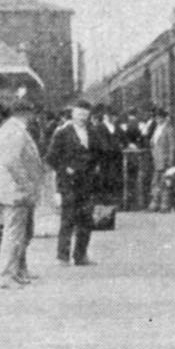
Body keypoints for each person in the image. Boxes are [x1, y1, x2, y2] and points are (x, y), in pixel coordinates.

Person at [0, 97, 45, 288]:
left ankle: (18, 270)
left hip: (20, 192)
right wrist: (27, 184)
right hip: (16, 192)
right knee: (14, 234)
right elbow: (12, 161)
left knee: (23, 233)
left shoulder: (15, 129)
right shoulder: (14, 131)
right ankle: (5, 276)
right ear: (26, 114)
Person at [47, 98, 99, 266]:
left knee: (86, 219)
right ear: (73, 113)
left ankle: (81, 255)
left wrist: (94, 168)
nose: (82, 117)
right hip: (69, 183)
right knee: (68, 219)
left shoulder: (92, 131)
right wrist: (65, 168)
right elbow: (51, 158)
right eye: (79, 113)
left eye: (85, 114)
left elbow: (98, 153)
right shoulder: (62, 132)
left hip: (87, 182)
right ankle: (62, 257)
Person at [148, 108, 175, 211]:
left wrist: (170, 159)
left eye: (159, 117)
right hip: (156, 159)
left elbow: (172, 146)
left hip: (164, 159)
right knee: (156, 182)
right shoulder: (157, 128)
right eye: (156, 117)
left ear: (164, 118)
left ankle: (164, 204)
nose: (157, 119)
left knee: (165, 182)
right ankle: (155, 203)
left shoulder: (168, 129)